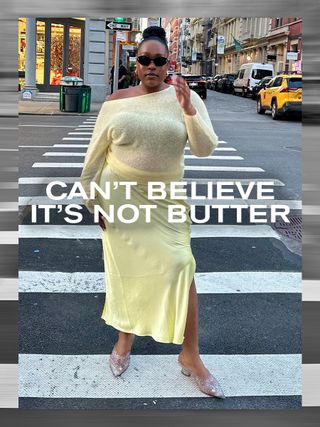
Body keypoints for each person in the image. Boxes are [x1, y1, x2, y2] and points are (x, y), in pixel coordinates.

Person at [80, 26, 225, 399]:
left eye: (159, 60)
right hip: (120, 197)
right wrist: (93, 201)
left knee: (182, 265)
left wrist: (190, 110)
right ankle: (124, 340)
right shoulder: (116, 101)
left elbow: (205, 148)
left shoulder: (184, 98)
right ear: (136, 63)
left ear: (168, 64)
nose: (151, 66)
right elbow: (94, 156)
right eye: (144, 59)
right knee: (128, 273)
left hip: (166, 200)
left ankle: (190, 355)